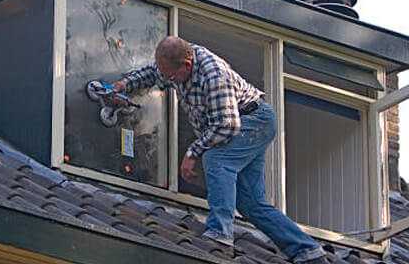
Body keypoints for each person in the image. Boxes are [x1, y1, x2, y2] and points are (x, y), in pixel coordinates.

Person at [113, 36, 328, 264]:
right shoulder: (174, 64)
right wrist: (124, 85)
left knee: (216, 159)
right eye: (165, 75)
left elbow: (226, 126)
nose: (167, 80)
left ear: (186, 65)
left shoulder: (213, 75)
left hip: (254, 121)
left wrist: (192, 153)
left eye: (171, 76)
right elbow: (153, 74)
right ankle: (307, 251)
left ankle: (220, 234)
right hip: (247, 124)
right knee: (250, 203)